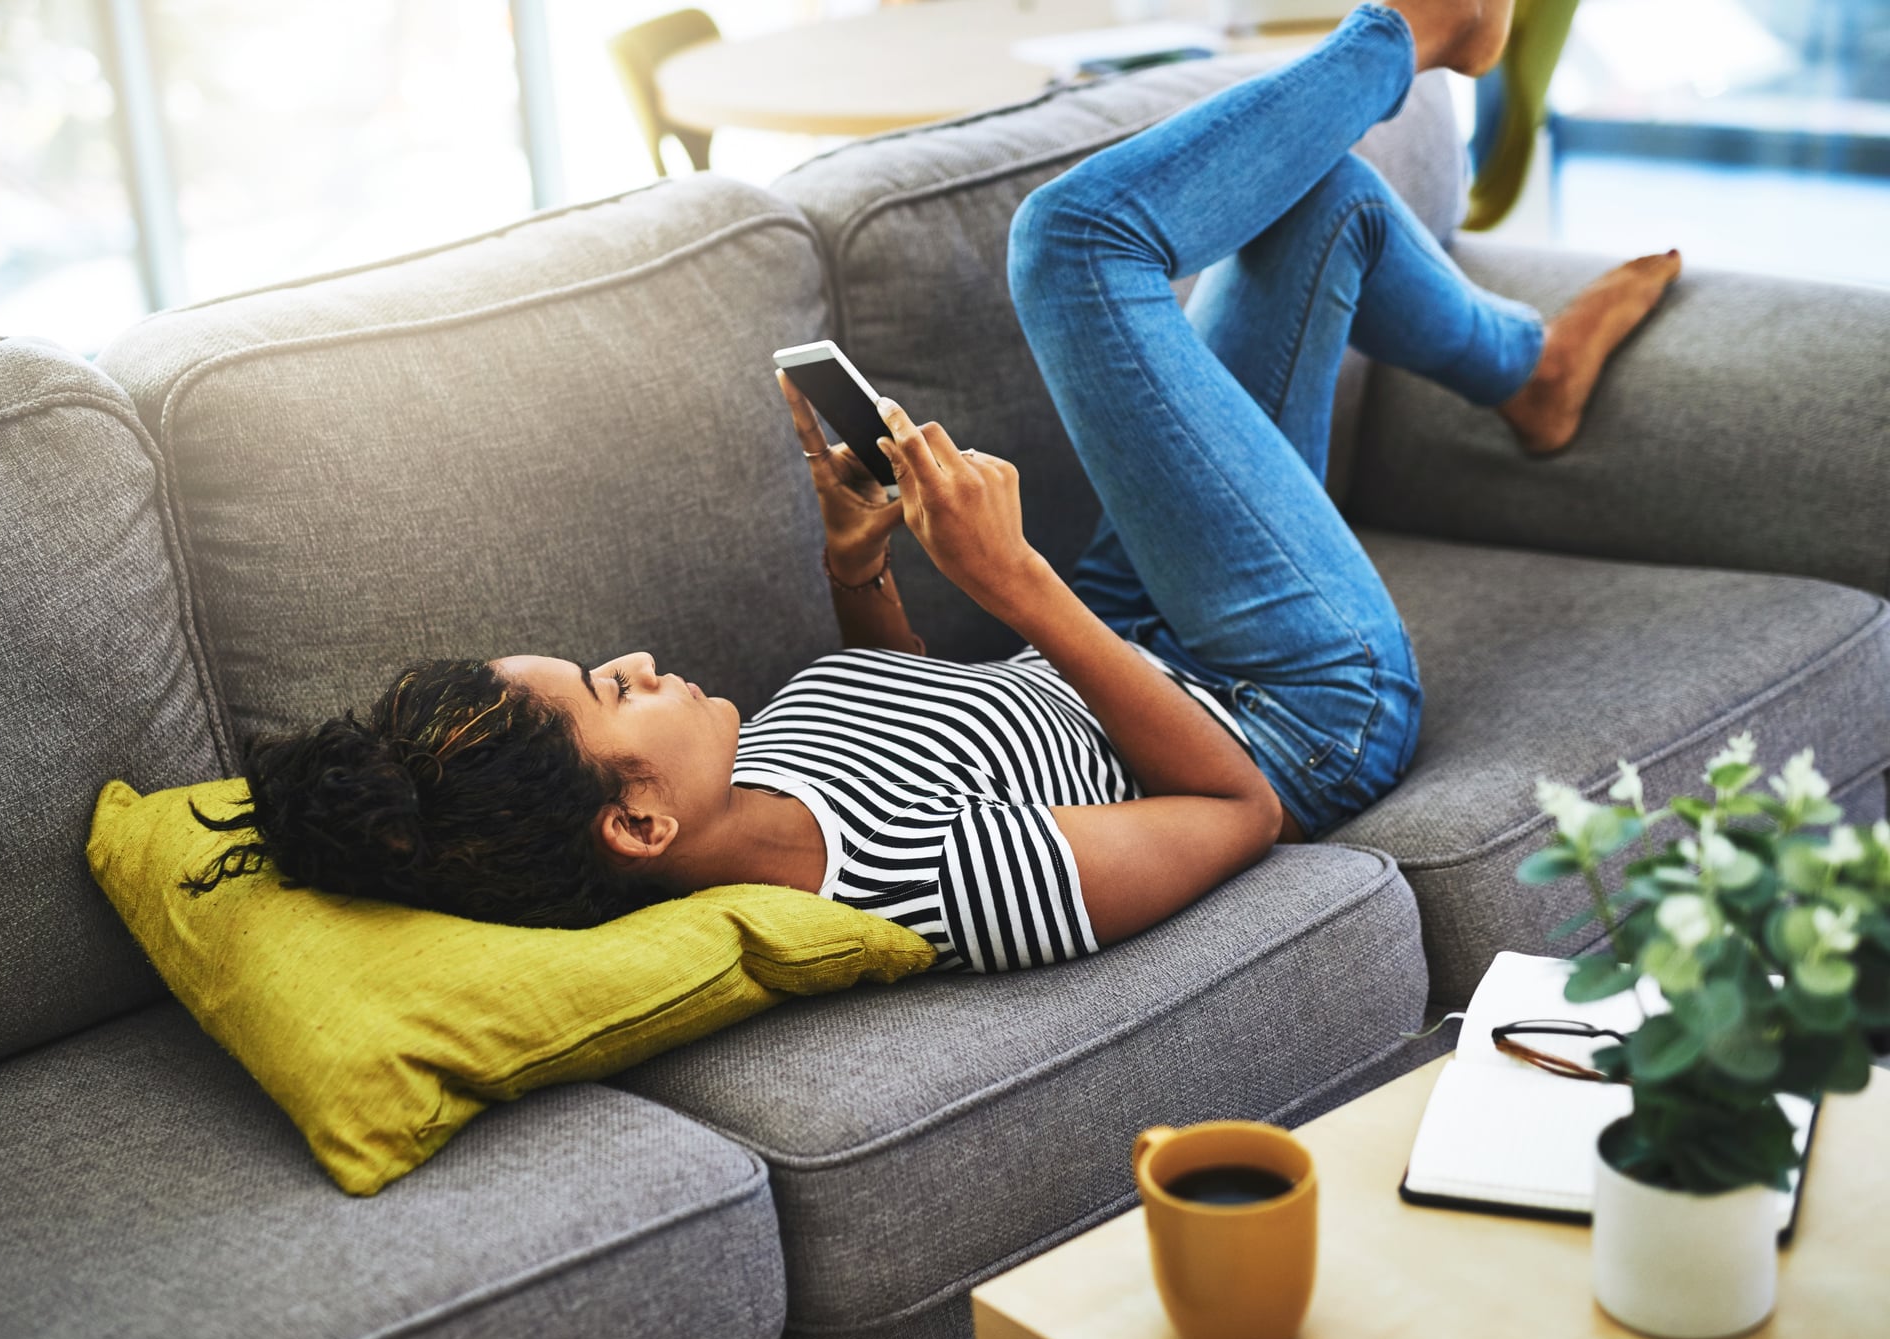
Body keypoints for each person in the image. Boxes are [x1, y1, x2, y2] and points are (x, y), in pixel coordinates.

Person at [186, 0, 1678, 973]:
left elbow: (938, 722)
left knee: (1325, 207)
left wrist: (864, 568)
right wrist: (1011, 583)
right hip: (1292, 704)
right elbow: (1237, 810)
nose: (632, 656)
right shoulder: (929, 892)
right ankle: (1414, 31)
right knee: (1075, 246)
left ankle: (1527, 373)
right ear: (637, 825)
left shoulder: (744, 774)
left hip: (1125, 628)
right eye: (606, 689)